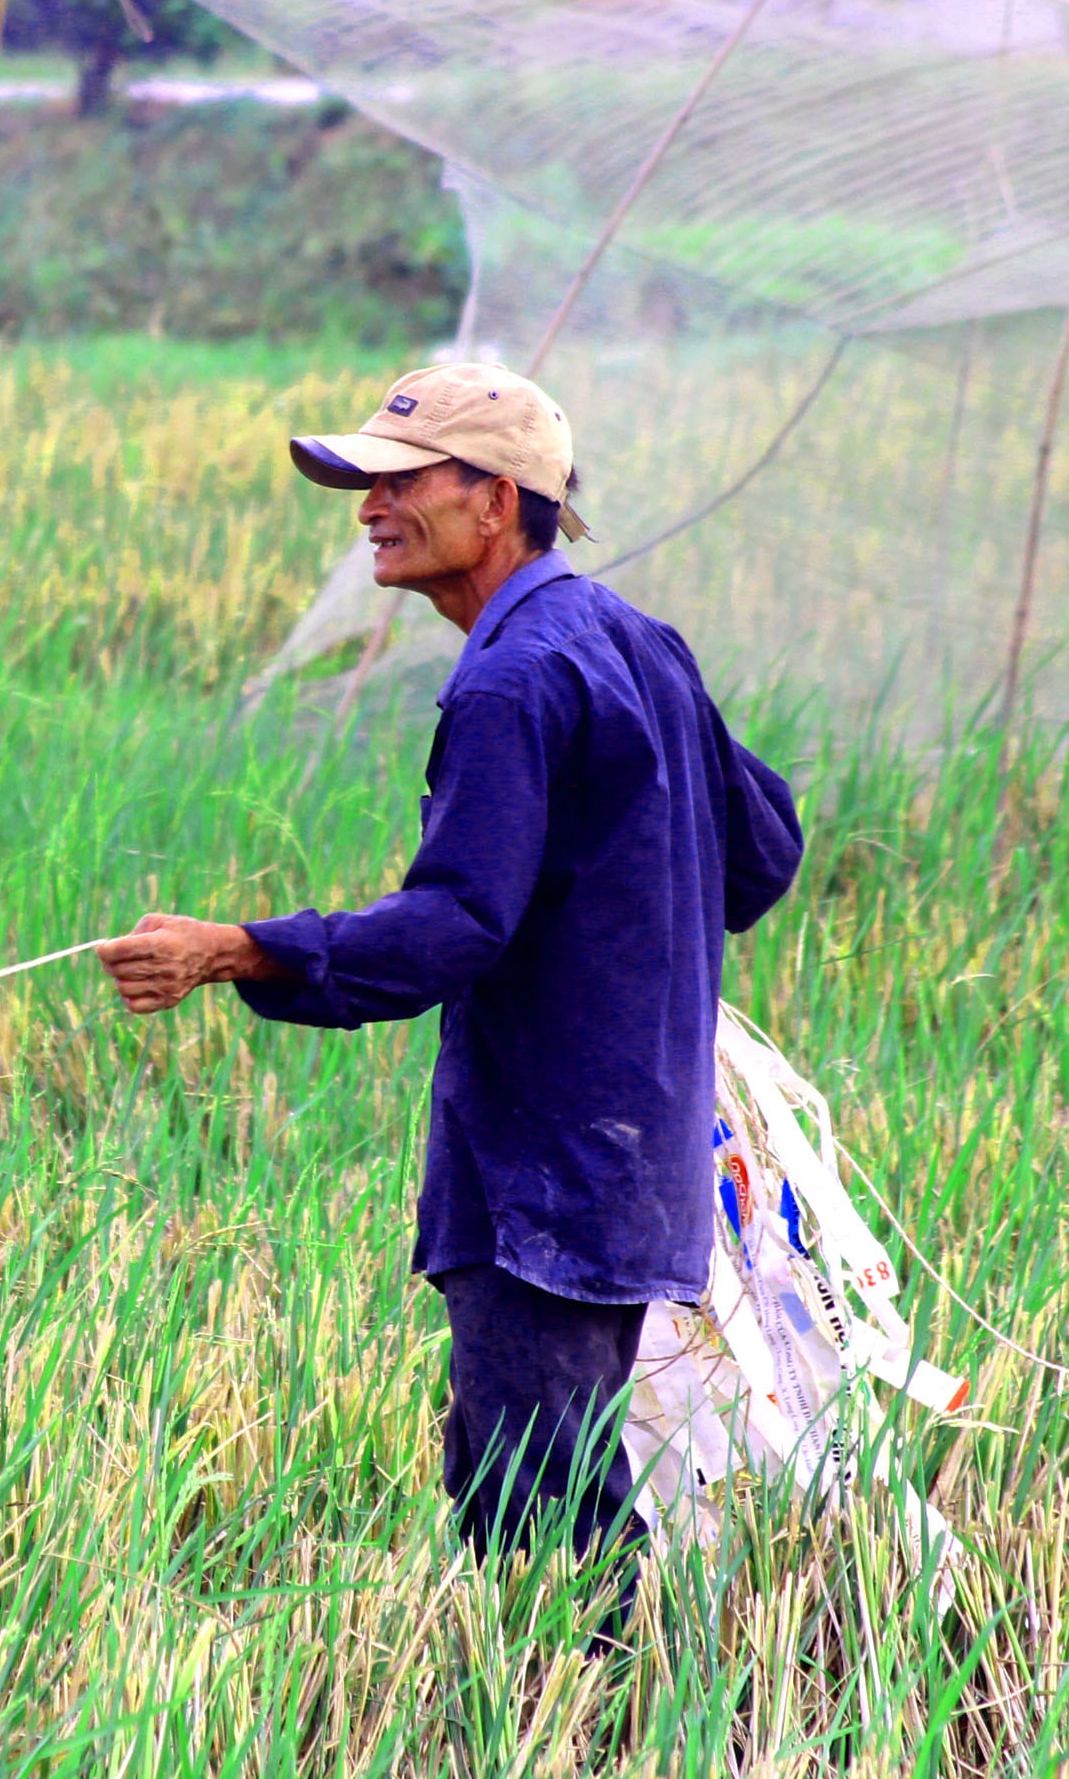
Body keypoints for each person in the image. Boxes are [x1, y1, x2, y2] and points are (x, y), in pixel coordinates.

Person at [94, 362, 804, 1640]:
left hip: (543, 1161)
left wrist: (237, 949)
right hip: (631, 1147)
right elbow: (764, 851)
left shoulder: (510, 679)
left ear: (497, 501)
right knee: (520, 1477)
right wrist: (632, 927)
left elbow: (452, 930)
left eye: (399, 481)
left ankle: (590, 1725)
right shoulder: (633, 642)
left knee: (537, 1517)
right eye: (364, 482)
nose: (368, 506)